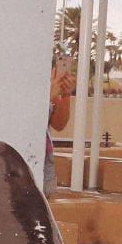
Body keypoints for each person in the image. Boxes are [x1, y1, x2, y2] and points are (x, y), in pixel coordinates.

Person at [44, 64, 74, 196]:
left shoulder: (50, 86)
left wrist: (66, 95)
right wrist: (47, 99)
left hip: (45, 163)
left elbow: (59, 125)